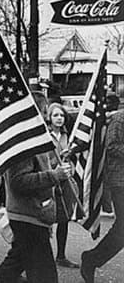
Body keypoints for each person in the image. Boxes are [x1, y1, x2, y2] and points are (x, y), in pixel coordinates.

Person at [0, 92, 71, 283]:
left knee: (14, 266)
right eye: (43, 111)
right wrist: (54, 175)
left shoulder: (33, 140)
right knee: (45, 275)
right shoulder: (23, 143)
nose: (46, 116)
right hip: (28, 216)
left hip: (35, 214)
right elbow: (19, 181)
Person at [80, 100, 124, 283]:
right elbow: (112, 146)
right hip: (120, 180)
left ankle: (92, 259)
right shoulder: (120, 119)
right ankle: (91, 259)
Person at [46, 103, 79, 269]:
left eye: (61, 116)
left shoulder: (68, 136)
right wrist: (57, 159)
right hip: (48, 181)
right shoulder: (45, 136)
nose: (59, 119)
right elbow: (43, 161)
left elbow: (73, 161)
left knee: (63, 219)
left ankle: (61, 255)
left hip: (65, 182)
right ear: (49, 118)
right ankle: (42, 256)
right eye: (55, 115)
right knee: (46, 219)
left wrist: (71, 157)